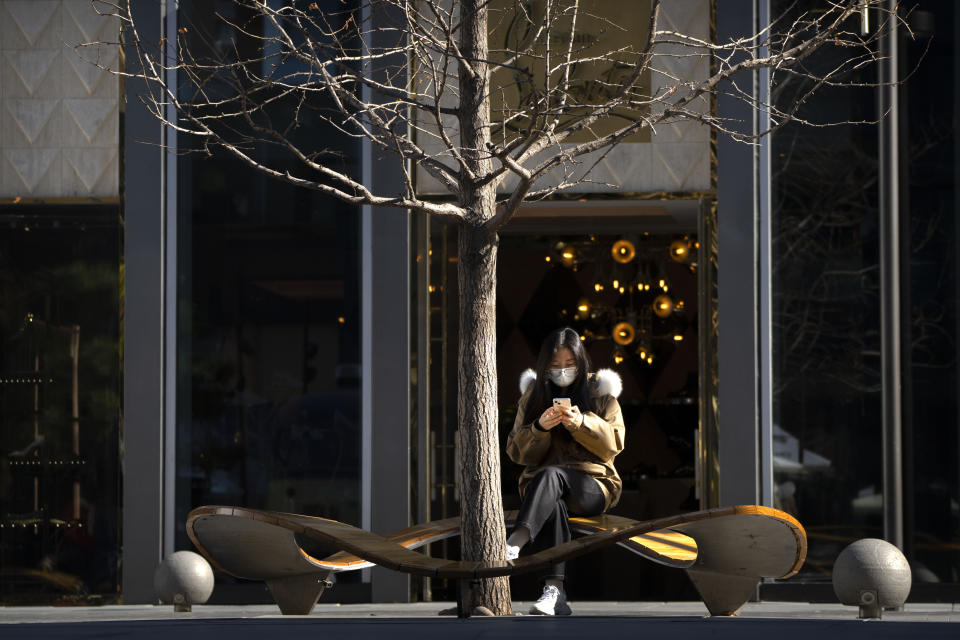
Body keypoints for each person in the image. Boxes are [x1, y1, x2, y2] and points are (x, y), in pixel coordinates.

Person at [505, 326, 625, 616]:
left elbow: (614, 444)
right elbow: (516, 452)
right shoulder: (534, 395)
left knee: (552, 476)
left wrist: (580, 424)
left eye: (569, 365)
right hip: (543, 490)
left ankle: (514, 542)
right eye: (555, 366)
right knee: (553, 498)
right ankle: (555, 593)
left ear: (580, 362)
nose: (562, 371)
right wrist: (539, 428)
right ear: (544, 366)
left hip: (593, 485)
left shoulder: (600, 392)